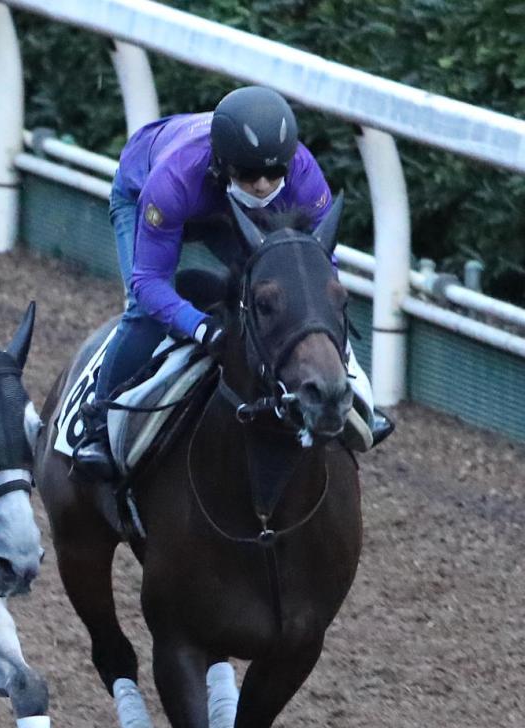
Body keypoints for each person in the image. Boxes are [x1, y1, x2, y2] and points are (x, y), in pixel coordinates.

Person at [73, 85, 393, 480]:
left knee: (301, 295)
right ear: (224, 164)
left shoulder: (306, 177)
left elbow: (319, 278)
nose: (262, 185)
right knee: (144, 313)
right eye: (248, 174)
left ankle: (354, 398)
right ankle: (98, 427)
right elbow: (149, 282)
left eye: (274, 173)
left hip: (223, 206)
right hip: (149, 194)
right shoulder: (174, 180)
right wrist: (203, 328)